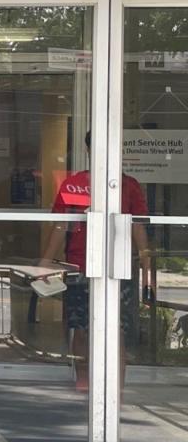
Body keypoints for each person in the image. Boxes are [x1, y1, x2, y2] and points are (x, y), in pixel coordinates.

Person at [41, 130, 151, 390]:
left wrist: (146, 264)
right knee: (80, 325)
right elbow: (60, 226)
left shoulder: (128, 185)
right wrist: (46, 260)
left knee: (118, 329)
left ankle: (116, 386)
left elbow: (137, 227)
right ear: (89, 151)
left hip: (117, 267)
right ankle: (84, 380)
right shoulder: (74, 184)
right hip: (80, 264)